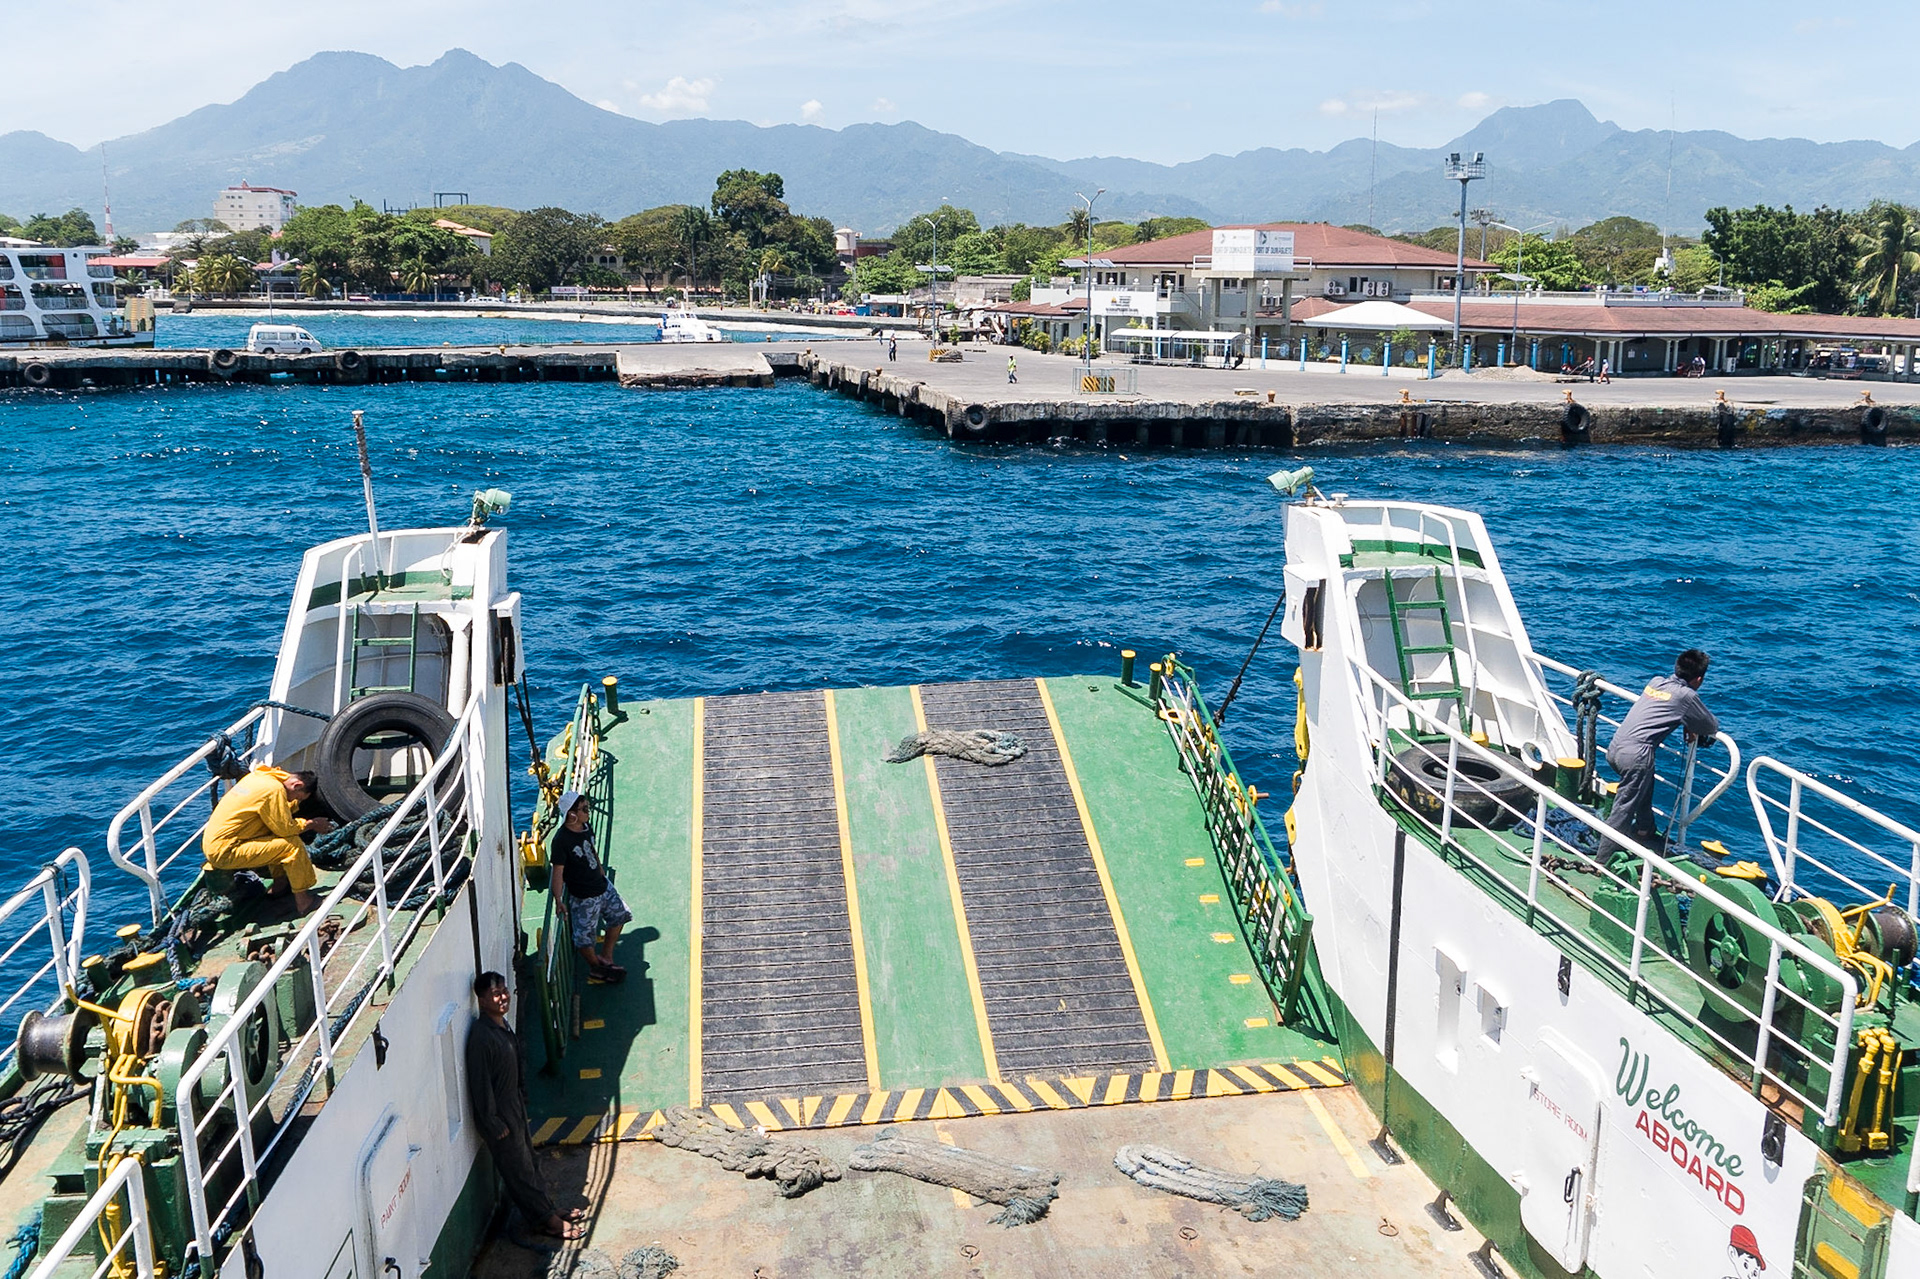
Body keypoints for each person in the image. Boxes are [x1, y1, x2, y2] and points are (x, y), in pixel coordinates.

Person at [466, 972, 586, 1243]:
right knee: (518, 1171)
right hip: (500, 1117)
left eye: (504, 991)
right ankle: (547, 1222)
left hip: (515, 1107)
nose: (503, 997)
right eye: (495, 994)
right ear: (482, 1000)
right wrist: (493, 1122)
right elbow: (480, 1084)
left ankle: (548, 1209)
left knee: (531, 1162)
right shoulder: (481, 1037)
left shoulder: (502, 1026)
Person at [1603, 649, 1719, 851]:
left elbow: (1667, 706)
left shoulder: (1655, 682)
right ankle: (1602, 860)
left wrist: (1686, 720)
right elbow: (1710, 726)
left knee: (1644, 783)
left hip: (1615, 748)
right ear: (1699, 679)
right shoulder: (1687, 695)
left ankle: (1644, 830)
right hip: (1636, 756)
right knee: (1623, 810)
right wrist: (1690, 723)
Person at [202, 766, 333, 914]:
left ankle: (280, 886)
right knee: (291, 846)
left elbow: (277, 817)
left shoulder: (261, 777)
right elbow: (285, 829)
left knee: (275, 835)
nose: (293, 800)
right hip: (225, 852)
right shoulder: (274, 790)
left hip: (215, 845)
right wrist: (312, 824)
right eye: (297, 797)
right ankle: (304, 903)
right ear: (296, 785)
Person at [551, 791, 630, 982]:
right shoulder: (561, 841)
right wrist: (558, 899)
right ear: (571, 815)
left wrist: (601, 869)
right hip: (584, 896)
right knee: (584, 938)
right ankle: (596, 967)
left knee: (620, 915)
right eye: (584, 809)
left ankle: (607, 957)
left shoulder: (585, 826)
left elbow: (592, 849)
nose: (589, 812)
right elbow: (558, 872)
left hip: (601, 885)